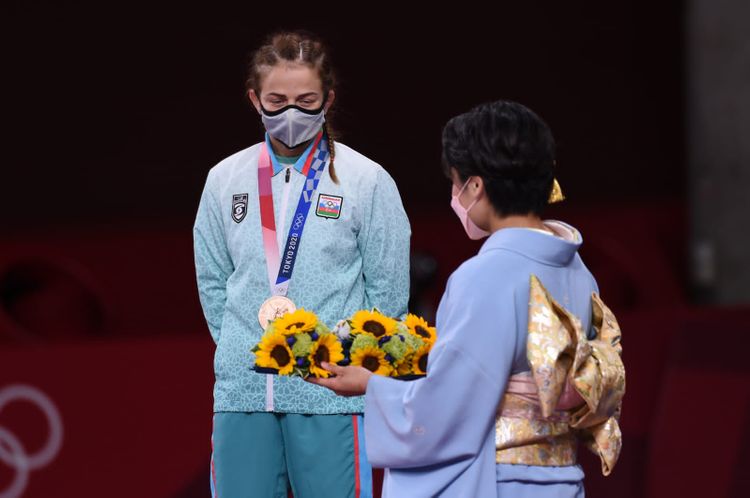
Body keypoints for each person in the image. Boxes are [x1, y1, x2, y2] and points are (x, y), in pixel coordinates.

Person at [310, 100, 624, 497]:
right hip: (559, 478)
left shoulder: (485, 276)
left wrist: (373, 386)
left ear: (476, 186)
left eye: (456, 182)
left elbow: (447, 409)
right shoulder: (579, 271)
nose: (455, 195)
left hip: (500, 481)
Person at [193, 31, 411, 498]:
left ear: (328, 99)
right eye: (277, 100)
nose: (291, 113)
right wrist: (242, 345)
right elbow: (212, 282)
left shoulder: (365, 181)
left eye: (306, 100)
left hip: (331, 395)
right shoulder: (224, 180)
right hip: (243, 395)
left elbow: (389, 296)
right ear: (255, 100)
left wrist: (341, 365)